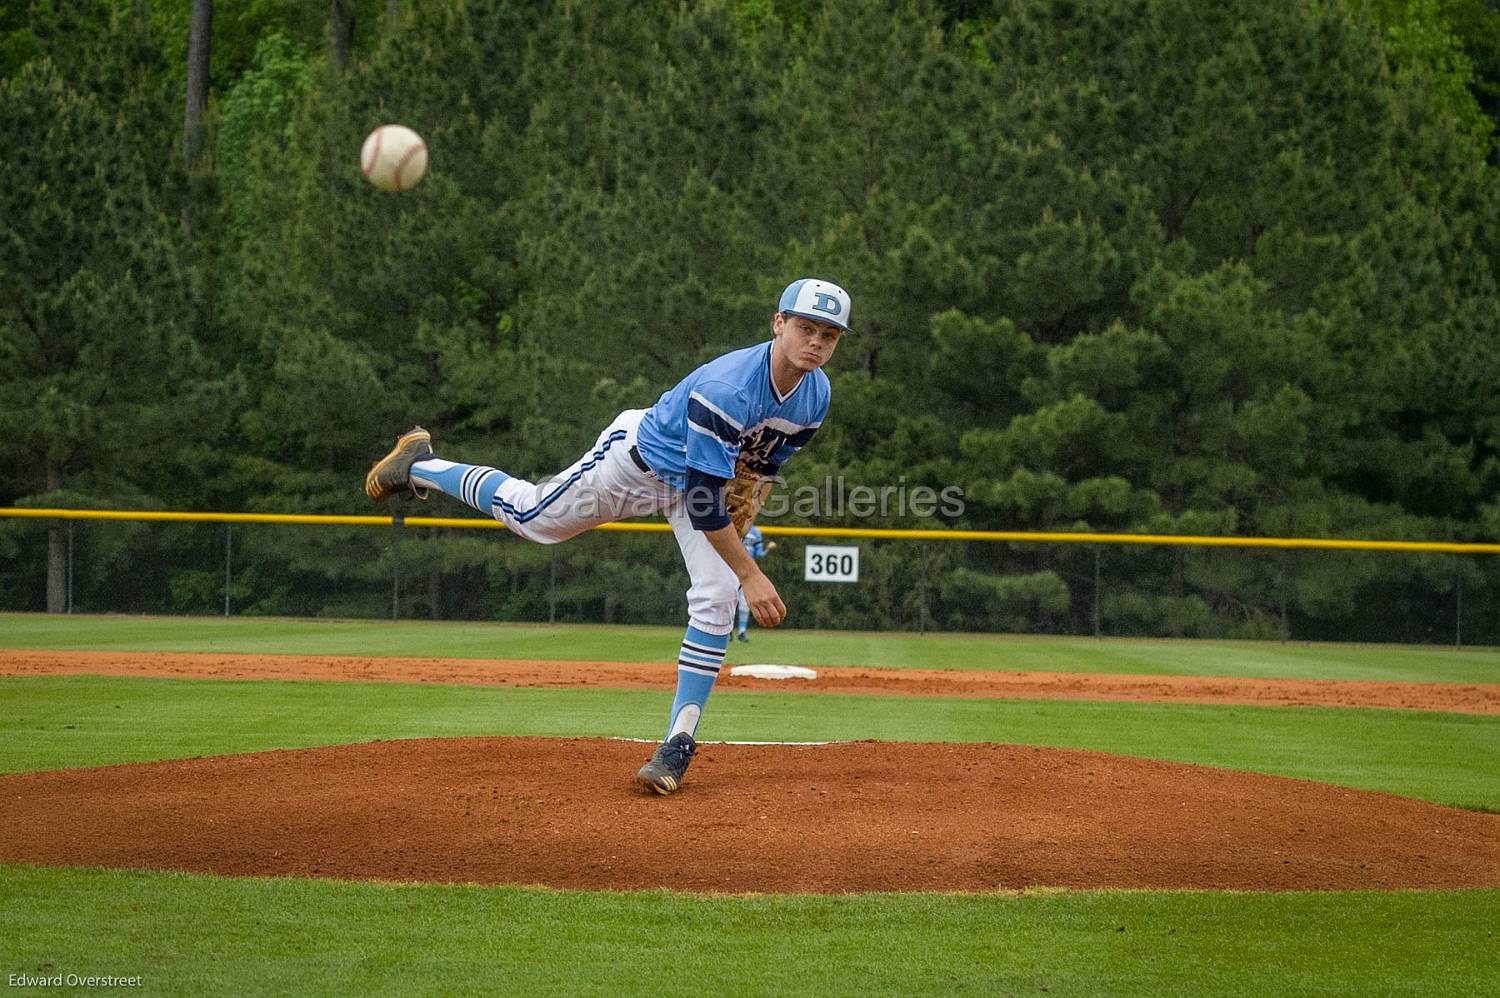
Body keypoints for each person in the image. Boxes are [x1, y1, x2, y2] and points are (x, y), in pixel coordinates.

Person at [364, 278, 852, 795]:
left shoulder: (814, 395)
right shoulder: (729, 389)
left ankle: (677, 746)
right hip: (634, 468)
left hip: (698, 486)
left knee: (716, 594)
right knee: (533, 519)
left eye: (829, 333)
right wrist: (750, 571)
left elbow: (759, 467)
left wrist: (748, 518)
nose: (816, 342)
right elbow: (706, 501)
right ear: (778, 324)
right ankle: (421, 464)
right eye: (805, 327)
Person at [735, 524, 777, 642]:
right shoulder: (734, 525)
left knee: (744, 603)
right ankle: (726, 631)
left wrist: (768, 549)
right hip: (731, 569)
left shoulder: (755, 532)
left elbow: (759, 554)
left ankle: (741, 632)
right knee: (729, 601)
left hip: (747, 573)